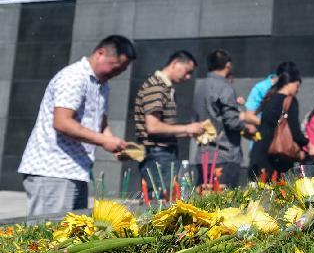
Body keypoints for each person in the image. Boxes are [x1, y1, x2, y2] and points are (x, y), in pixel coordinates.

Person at [18, 35, 136, 217]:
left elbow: (101, 124)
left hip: (76, 171)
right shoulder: (74, 77)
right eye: (117, 66)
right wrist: (104, 140)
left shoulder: (102, 86)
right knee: (50, 238)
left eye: (123, 68)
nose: (119, 72)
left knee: (71, 237)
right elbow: (62, 121)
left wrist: (115, 144)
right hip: (52, 171)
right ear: (101, 53)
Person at [133, 50, 206, 198]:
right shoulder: (157, 86)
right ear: (175, 64)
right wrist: (187, 128)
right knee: (160, 206)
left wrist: (188, 131)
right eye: (187, 71)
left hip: (163, 155)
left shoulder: (164, 87)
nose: (188, 77)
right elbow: (153, 127)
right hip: (158, 156)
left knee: (166, 202)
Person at [191, 49, 256, 188]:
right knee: (224, 206)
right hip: (225, 154)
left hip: (202, 155)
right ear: (228, 65)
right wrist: (247, 128)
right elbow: (232, 121)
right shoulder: (224, 87)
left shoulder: (201, 87)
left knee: (203, 203)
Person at [248, 64, 309, 178]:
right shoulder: (289, 100)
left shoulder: (269, 97)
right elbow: (295, 131)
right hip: (276, 158)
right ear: (290, 83)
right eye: (297, 85)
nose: (297, 90)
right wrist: (307, 143)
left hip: (258, 155)